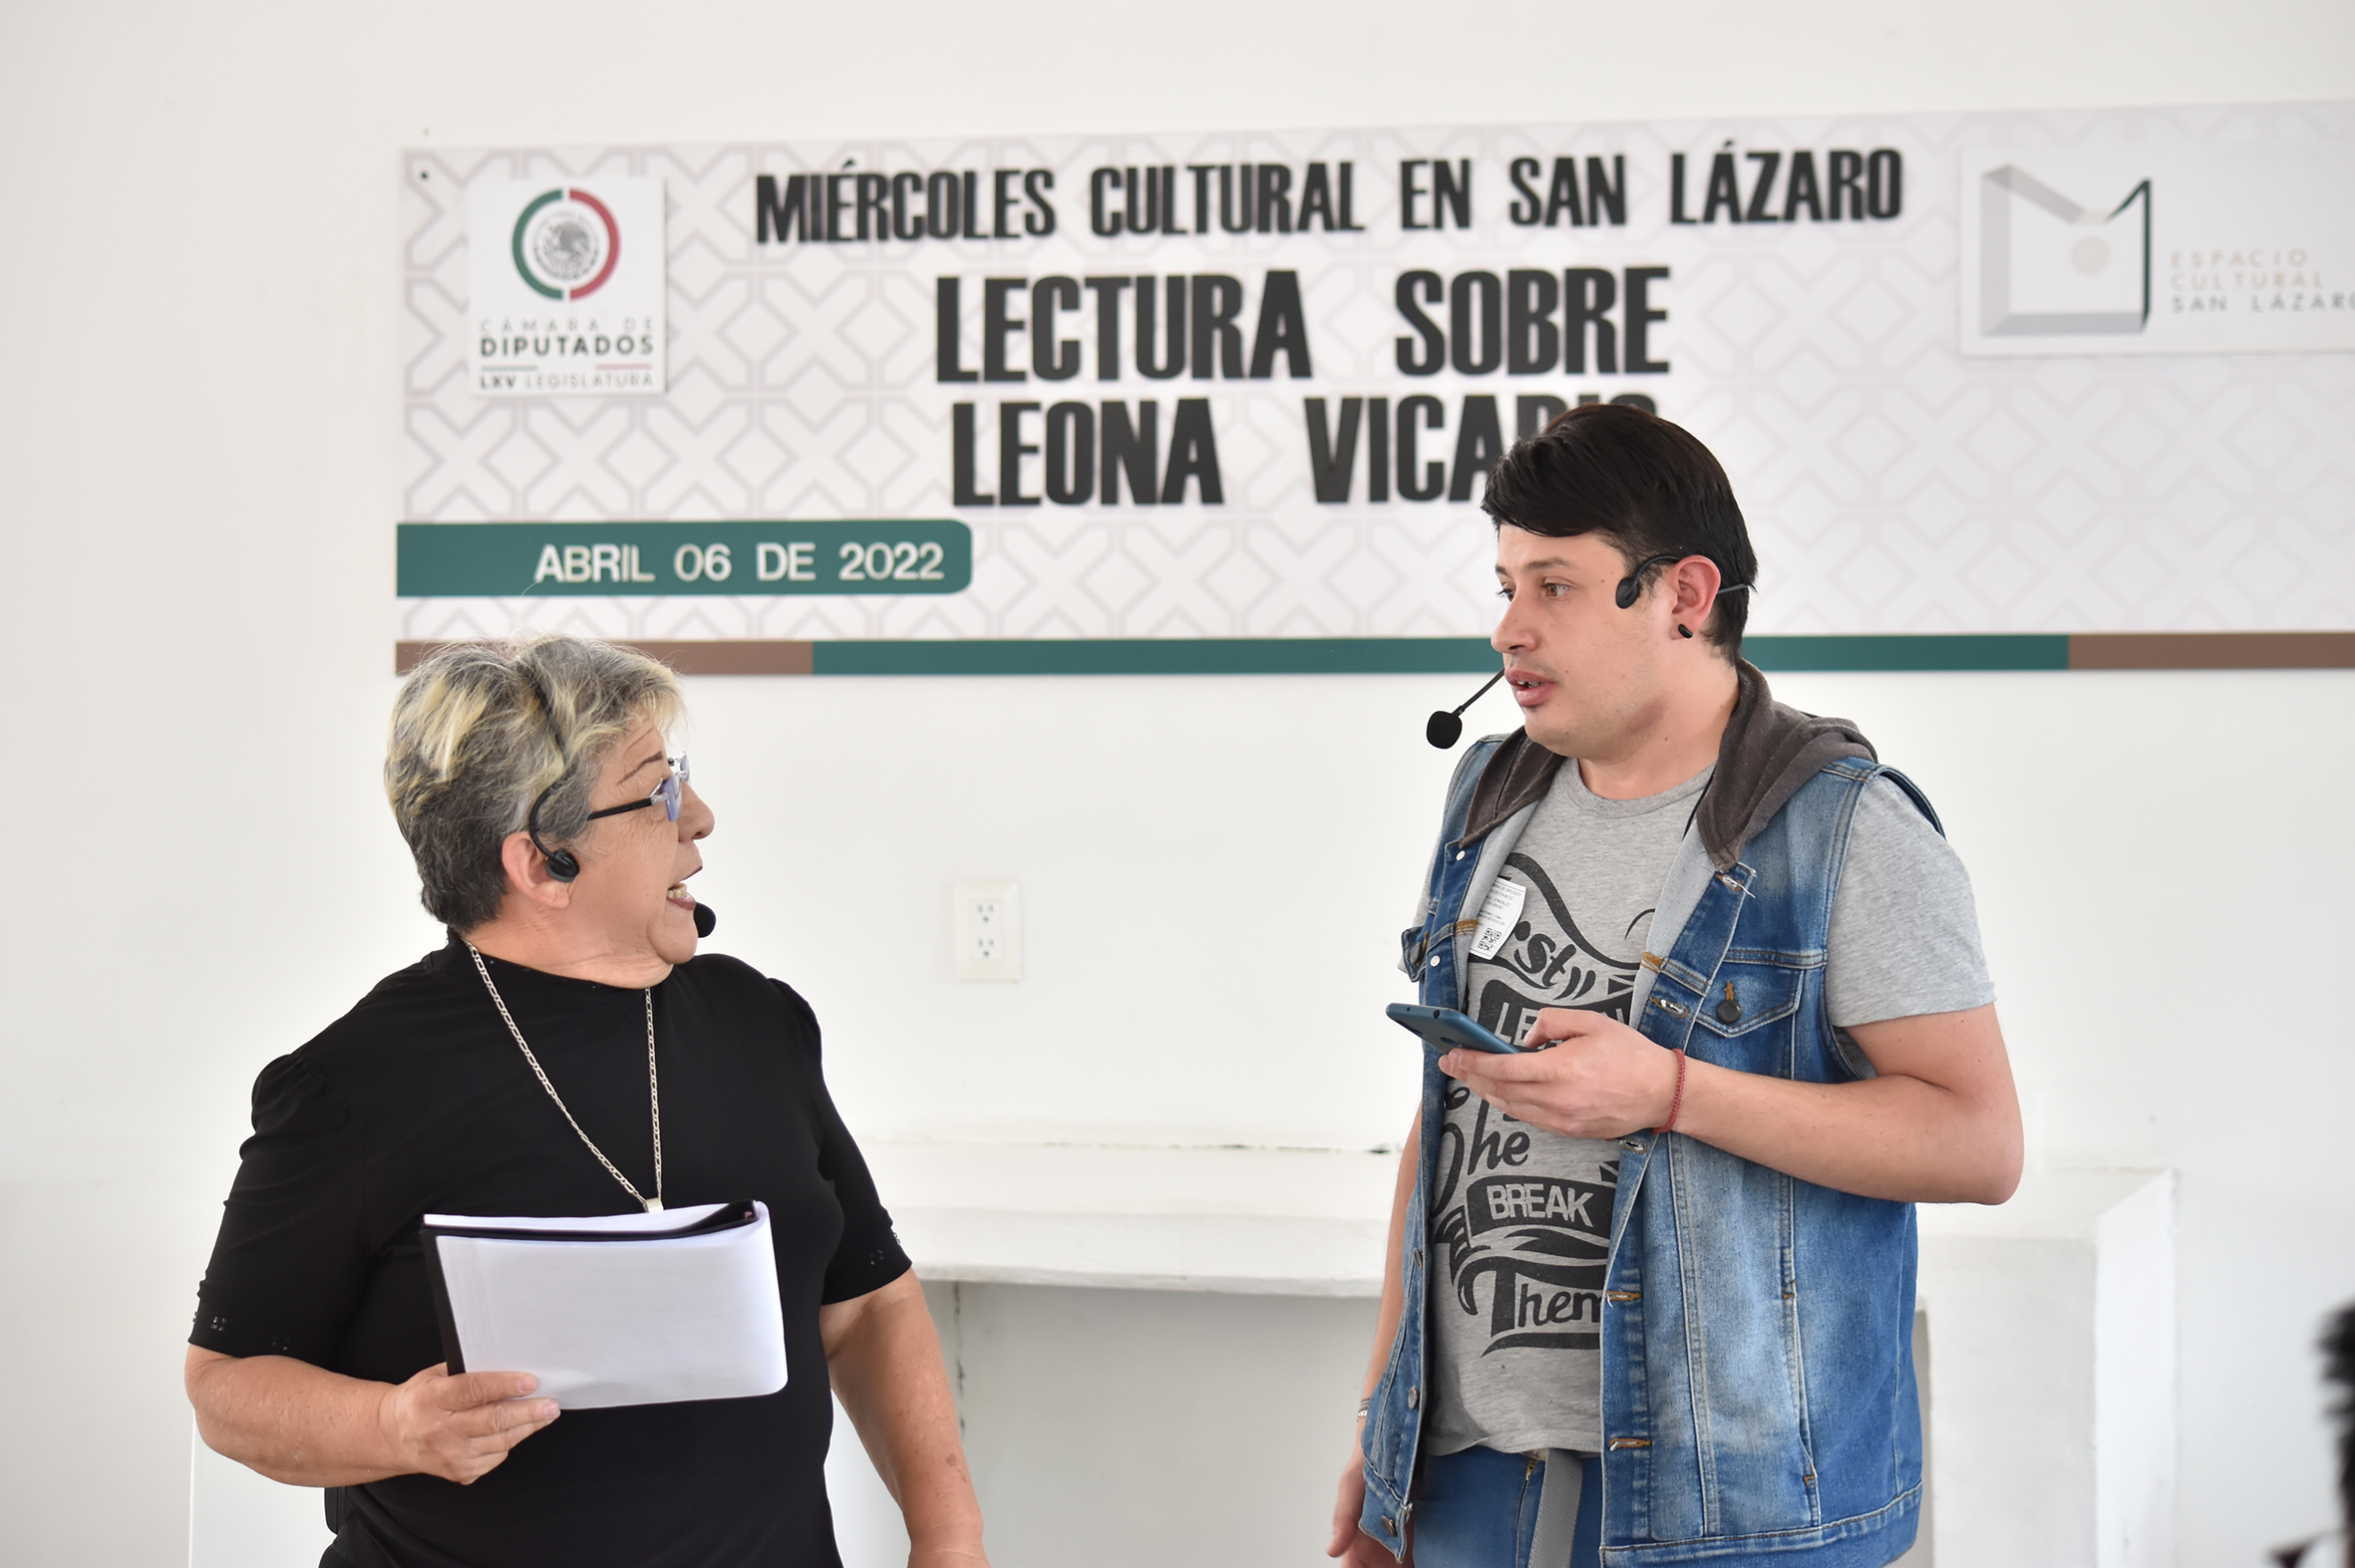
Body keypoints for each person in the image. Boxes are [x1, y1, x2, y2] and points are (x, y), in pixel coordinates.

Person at [1327, 405, 2022, 1568]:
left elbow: (1978, 1143)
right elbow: (1446, 1116)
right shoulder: (1489, 793)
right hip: (1470, 1478)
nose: (1508, 628)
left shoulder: (1845, 829)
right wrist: (1383, 1421)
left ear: (1684, 596)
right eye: (1505, 585)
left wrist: (1673, 1093)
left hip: (1734, 1507)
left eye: (1554, 586)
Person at [184, 634, 987, 1568]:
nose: (701, 818)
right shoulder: (352, 1083)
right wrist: (396, 1425)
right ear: (542, 864)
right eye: (659, 793)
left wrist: (949, 1537)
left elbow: (867, 1303)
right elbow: (227, 1386)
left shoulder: (758, 1022)